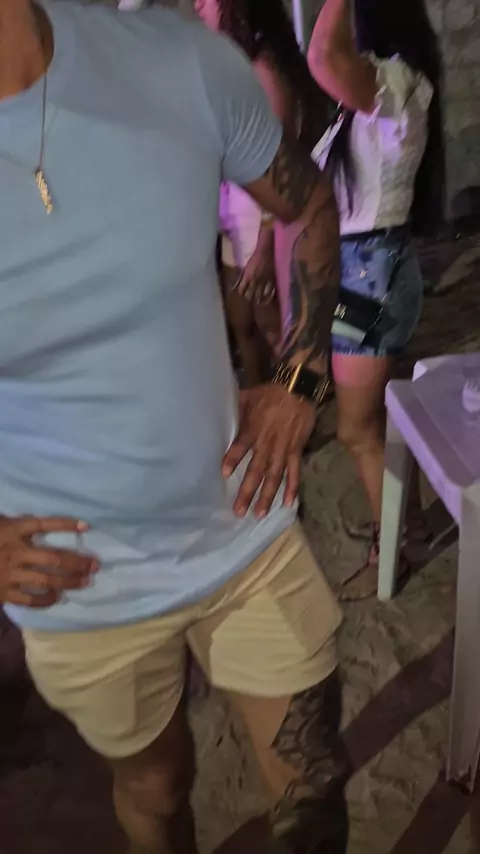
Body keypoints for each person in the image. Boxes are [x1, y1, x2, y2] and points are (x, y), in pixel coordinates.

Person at [0, 2, 348, 852]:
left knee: (313, 790)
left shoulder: (176, 60)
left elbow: (311, 205)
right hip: (79, 578)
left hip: (242, 521)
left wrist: (300, 377)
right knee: (156, 792)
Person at [307, 0, 445, 599]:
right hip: (369, 268)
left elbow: (321, 53)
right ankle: (407, 528)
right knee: (378, 416)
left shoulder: (396, 81)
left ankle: (391, 553)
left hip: (371, 273)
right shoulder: (383, 87)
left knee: (355, 428)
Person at [196, 0, 332, 386]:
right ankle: (258, 403)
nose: (197, 5)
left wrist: (265, 246)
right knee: (244, 324)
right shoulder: (231, 69)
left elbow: (286, 168)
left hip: (262, 220)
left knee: (275, 330)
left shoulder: (264, 71)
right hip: (234, 214)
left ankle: (294, 408)